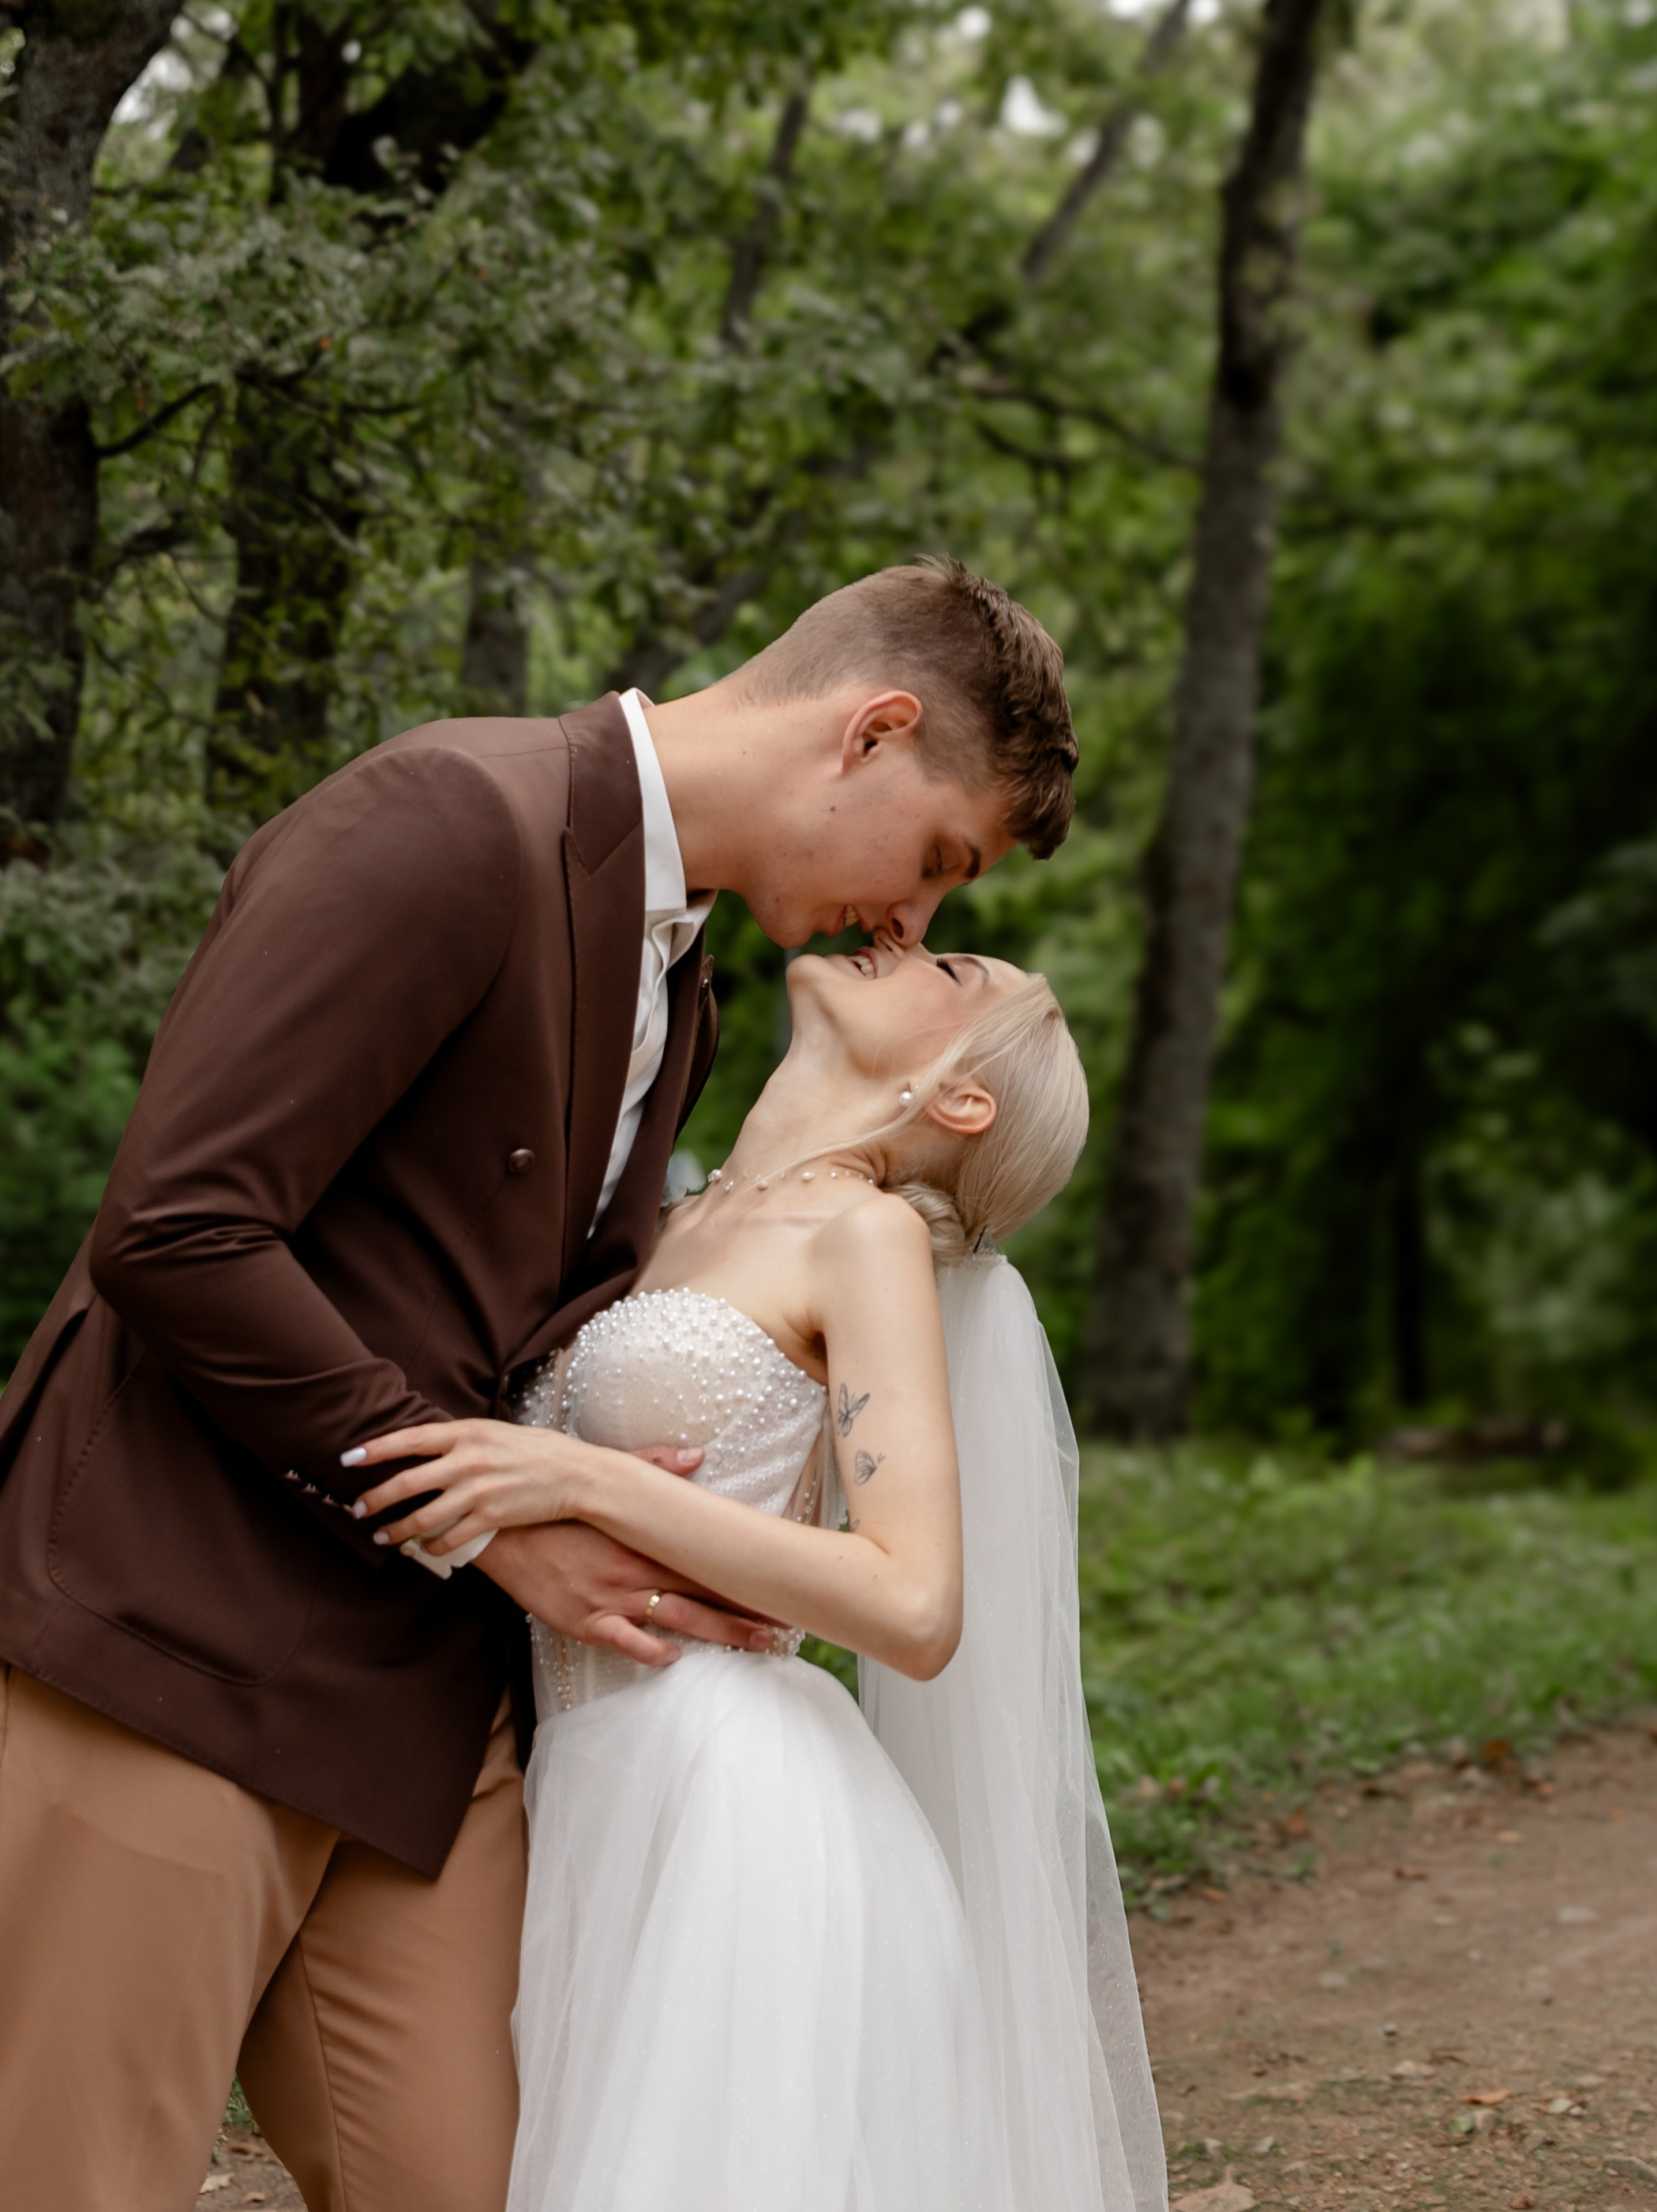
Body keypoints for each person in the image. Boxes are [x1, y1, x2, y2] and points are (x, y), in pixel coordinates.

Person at [0, 558, 1079, 2212]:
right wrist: (489, 1525)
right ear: (869, 731)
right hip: (171, 1631)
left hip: (416, 1708)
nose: (913, 918)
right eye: (936, 856)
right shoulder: (448, 817)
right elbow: (175, 1226)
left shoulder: (682, 986)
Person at [349, 934, 1168, 2212]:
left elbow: (913, 1602)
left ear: (959, 1097)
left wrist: (586, 1481)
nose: (898, 934)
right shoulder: (660, 1219)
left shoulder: (864, 1237)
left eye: (948, 966)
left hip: (733, 1799)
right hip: (568, 1780)